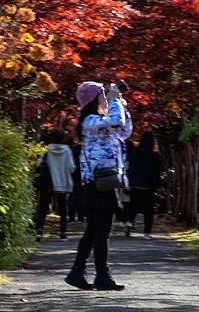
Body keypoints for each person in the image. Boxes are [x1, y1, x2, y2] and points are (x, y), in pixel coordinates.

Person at [65, 81, 132, 291]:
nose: (106, 97)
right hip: (98, 182)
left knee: (94, 231)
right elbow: (116, 120)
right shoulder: (90, 121)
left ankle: (78, 272)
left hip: (105, 180)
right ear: (94, 98)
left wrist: (120, 102)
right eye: (102, 94)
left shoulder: (98, 121)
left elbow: (124, 130)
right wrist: (114, 101)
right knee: (101, 232)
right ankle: (102, 276)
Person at [35, 128, 75, 241]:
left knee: (42, 208)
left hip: (48, 183)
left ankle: (39, 231)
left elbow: (39, 164)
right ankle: (63, 233)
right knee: (63, 209)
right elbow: (71, 168)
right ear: (63, 138)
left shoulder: (47, 149)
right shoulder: (67, 150)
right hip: (62, 183)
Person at [127, 131, 161, 240]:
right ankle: (147, 232)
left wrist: (129, 181)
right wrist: (158, 184)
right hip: (148, 185)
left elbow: (130, 167)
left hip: (135, 184)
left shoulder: (135, 152)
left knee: (134, 205)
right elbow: (158, 171)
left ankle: (130, 222)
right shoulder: (154, 155)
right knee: (148, 210)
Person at [68, 142, 86, 224]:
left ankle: (71, 217)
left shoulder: (73, 152)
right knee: (81, 198)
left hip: (74, 177)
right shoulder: (84, 152)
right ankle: (81, 218)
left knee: (72, 198)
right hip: (82, 177)